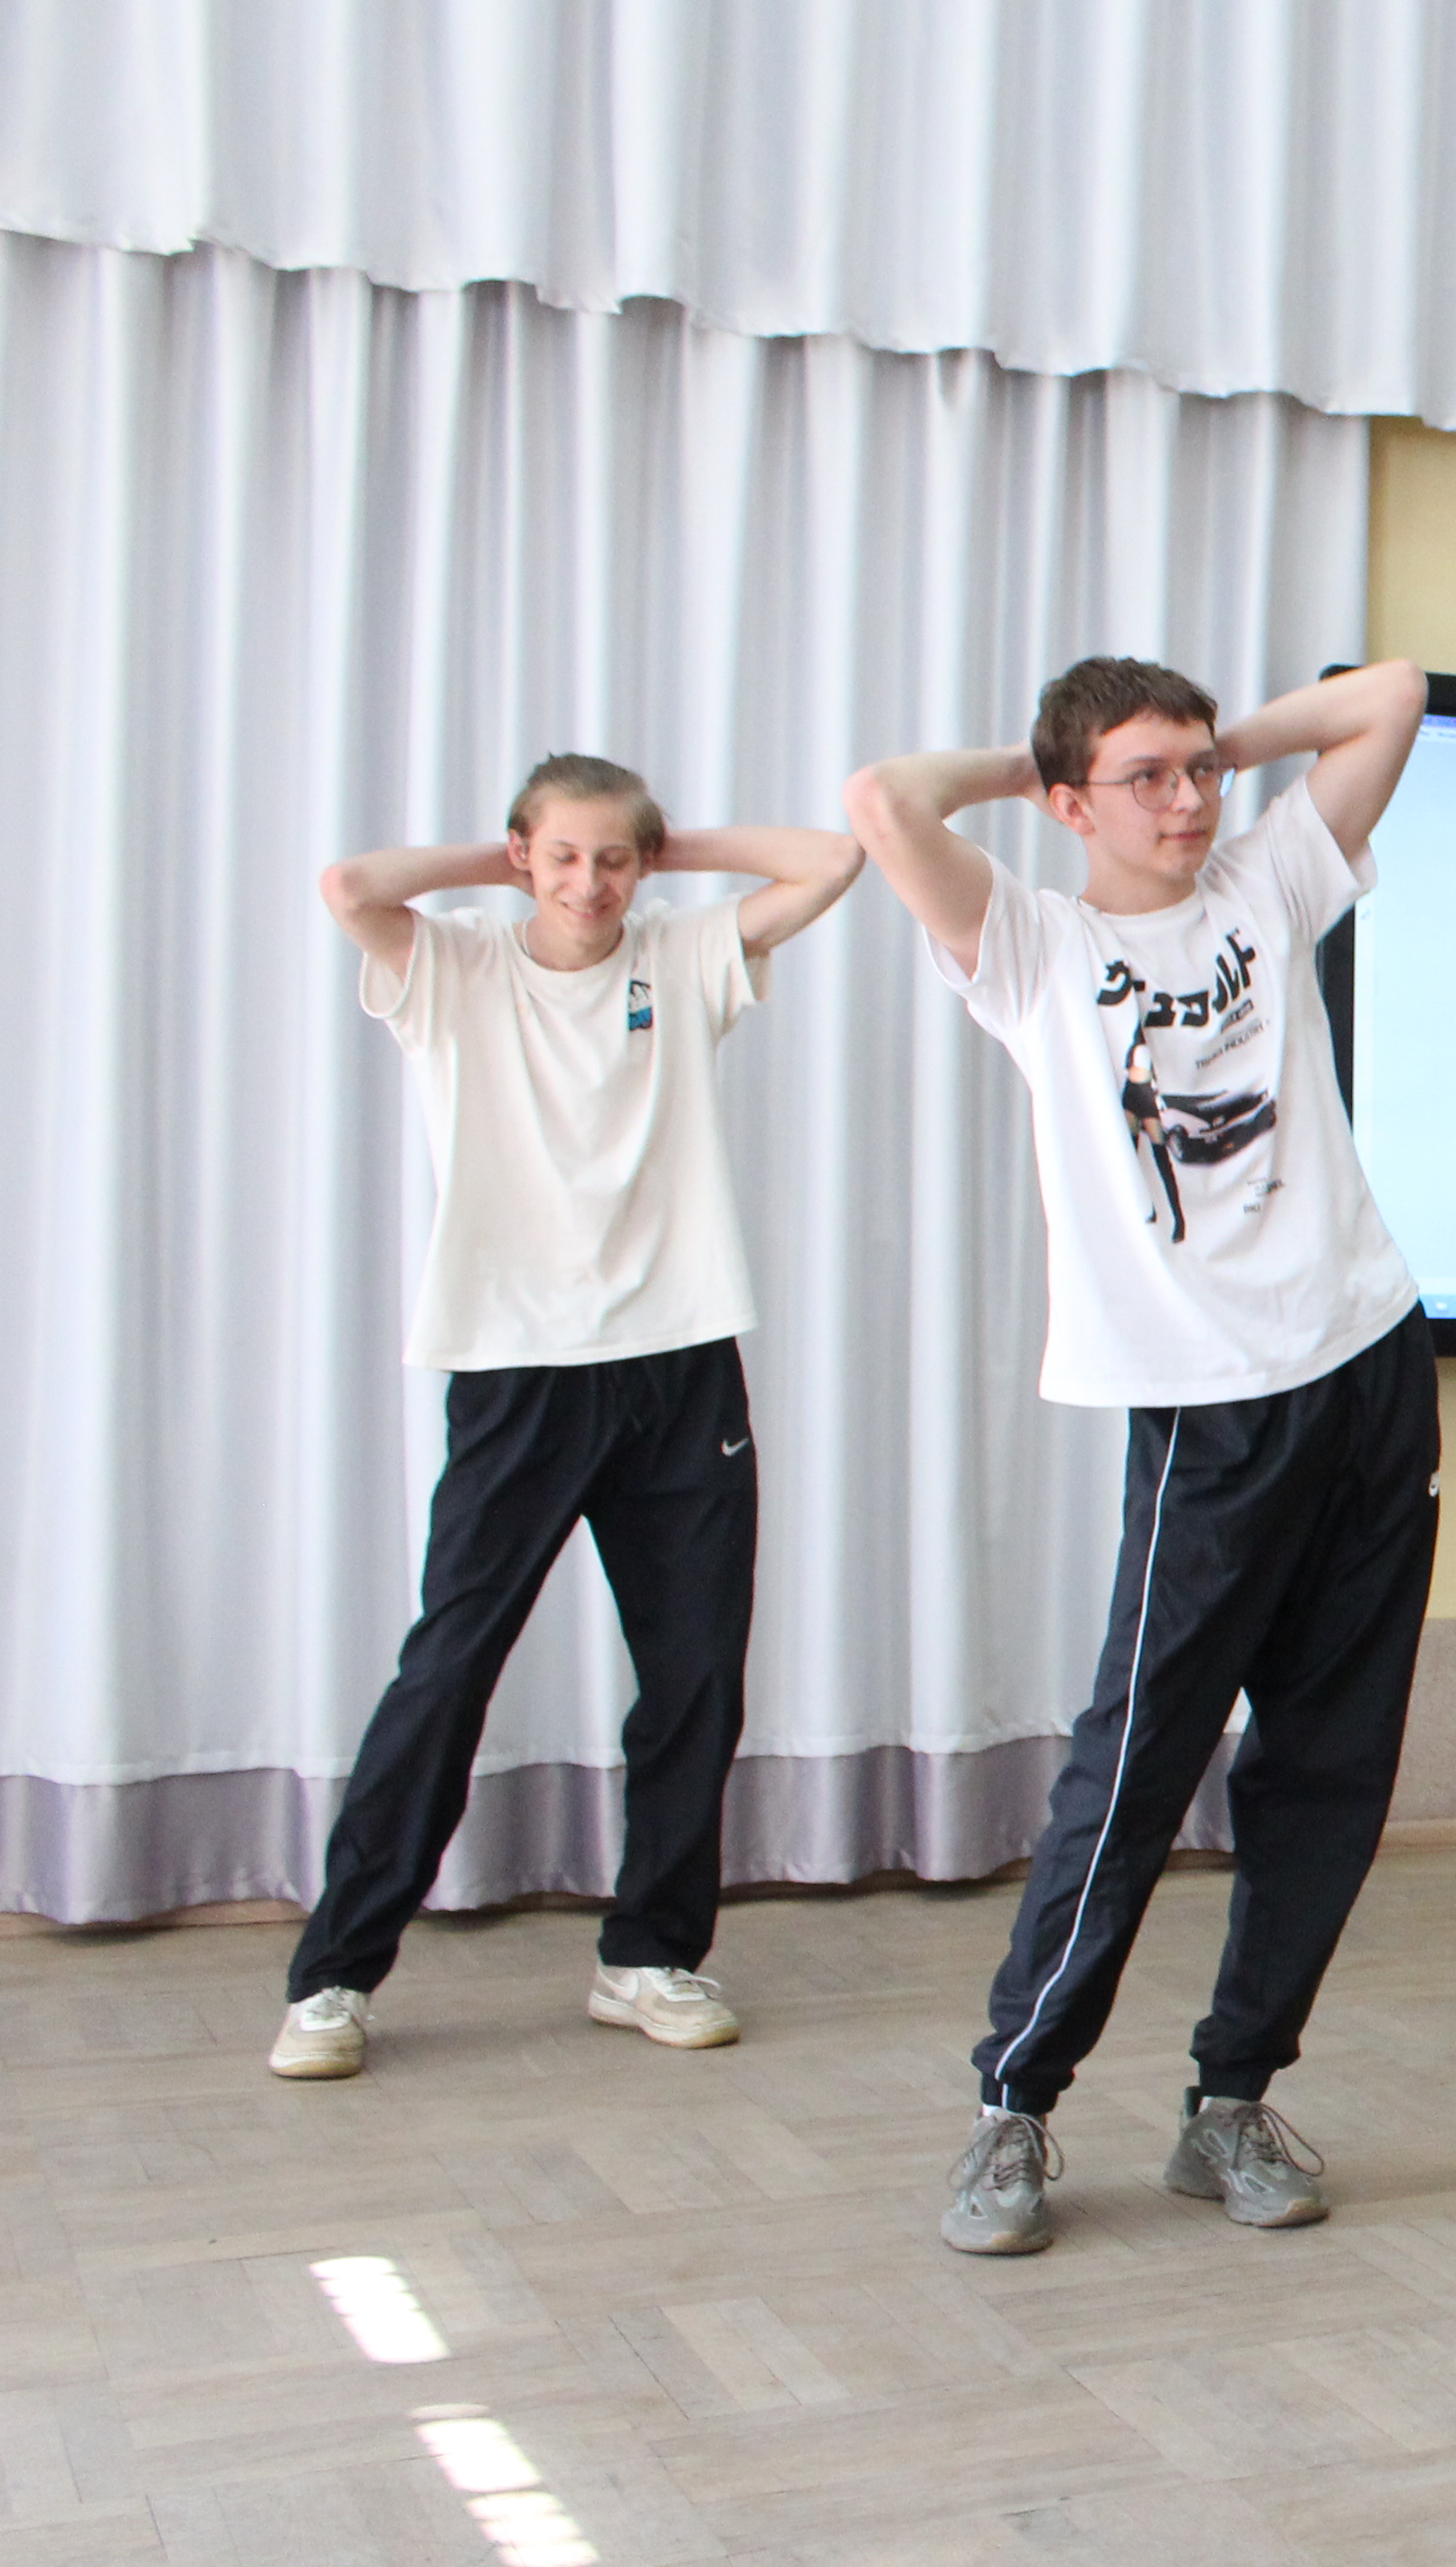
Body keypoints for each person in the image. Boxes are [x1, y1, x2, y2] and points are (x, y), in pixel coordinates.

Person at [847, 655, 1439, 2254]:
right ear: (1064, 804)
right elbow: (882, 803)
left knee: (1330, 1760)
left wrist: (1206, 747)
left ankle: (1231, 2096)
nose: (1189, 803)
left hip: (1369, 1364)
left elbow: (1392, 692)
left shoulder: (1267, 879)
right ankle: (1015, 2104)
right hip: (1204, 1407)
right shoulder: (1034, 945)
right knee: (1138, 1760)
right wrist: (1047, 761)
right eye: (1146, 780)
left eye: (1200, 773)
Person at [272, 757, 863, 2083]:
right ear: (519, 858)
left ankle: (648, 1956)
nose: (590, 884)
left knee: (696, 1677)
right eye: (562, 857)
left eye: (613, 859)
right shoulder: (456, 968)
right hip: (518, 1369)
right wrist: (515, 865)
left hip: (680, 1364)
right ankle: (333, 1977)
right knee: (448, 1671)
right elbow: (349, 885)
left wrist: (652, 849)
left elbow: (833, 860)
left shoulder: (683, 954)